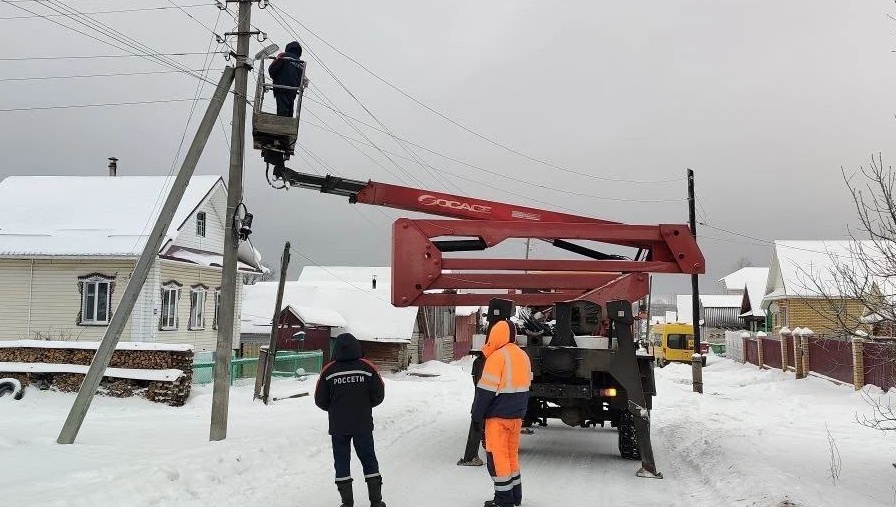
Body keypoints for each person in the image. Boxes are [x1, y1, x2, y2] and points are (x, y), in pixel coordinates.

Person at [471, 299, 532, 507]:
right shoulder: (523, 356)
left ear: (495, 335)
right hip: (516, 417)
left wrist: (476, 416)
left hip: (497, 418)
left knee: (498, 459)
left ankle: (503, 500)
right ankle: (515, 496)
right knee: (511, 457)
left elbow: (484, 393)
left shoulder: (497, 357)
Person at [315, 333, 386, 507]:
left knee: (341, 461)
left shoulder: (328, 371)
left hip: (338, 426)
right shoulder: (367, 367)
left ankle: (347, 503)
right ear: (357, 347)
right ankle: (376, 502)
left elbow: (320, 399)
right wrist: (364, 406)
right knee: (369, 459)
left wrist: (335, 409)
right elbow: (379, 394)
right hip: (362, 423)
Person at [457, 350, 486, 466]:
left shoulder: (479, 361)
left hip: (483, 397)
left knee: (477, 419)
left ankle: (471, 456)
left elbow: (476, 382)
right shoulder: (484, 361)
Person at [268, 41, 306, 117]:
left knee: (282, 108)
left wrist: (275, 78)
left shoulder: (283, 56)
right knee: (290, 107)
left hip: (281, 86)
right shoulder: (301, 63)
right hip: (293, 89)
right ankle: (288, 118)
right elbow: (301, 79)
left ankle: (281, 121)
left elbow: (272, 69)